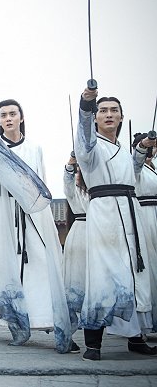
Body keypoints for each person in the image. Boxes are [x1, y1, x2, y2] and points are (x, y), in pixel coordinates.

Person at [0, 100, 72, 354]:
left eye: (13, 114)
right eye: (3, 115)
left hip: (32, 212)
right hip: (1, 212)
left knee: (41, 266)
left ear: (22, 118)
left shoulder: (35, 148)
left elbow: (40, 182)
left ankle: (49, 321)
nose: (8, 118)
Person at [76, 88, 157, 359]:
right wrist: (86, 105)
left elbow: (133, 170)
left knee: (134, 272)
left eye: (114, 110)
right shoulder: (89, 146)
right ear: (96, 117)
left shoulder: (122, 149)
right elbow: (84, 134)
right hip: (105, 212)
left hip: (130, 210)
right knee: (103, 274)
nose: (108, 114)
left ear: (122, 117)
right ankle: (93, 343)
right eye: (103, 110)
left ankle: (135, 337)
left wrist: (142, 148)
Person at [132, 133, 157, 334]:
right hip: (145, 216)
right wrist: (141, 147)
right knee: (150, 268)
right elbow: (136, 162)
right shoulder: (135, 166)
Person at [62, 154, 89, 339]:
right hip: (79, 232)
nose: (79, 173)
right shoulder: (73, 190)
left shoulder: (96, 189)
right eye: (78, 170)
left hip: (98, 231)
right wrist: (71, 165)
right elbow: (67, 179)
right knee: (77, 278)